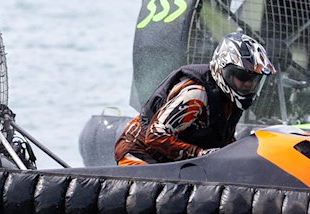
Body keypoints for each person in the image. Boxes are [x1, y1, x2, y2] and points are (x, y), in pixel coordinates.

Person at [114, 32, 276, 165]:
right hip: (138, 154)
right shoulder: (196, 95)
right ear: (223, 69)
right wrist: (200, 153)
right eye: (242, 76)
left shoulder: (230, 101)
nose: (248, 85)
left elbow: (222, 141)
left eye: (254, 80)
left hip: (170, 161)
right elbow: (155, 136)